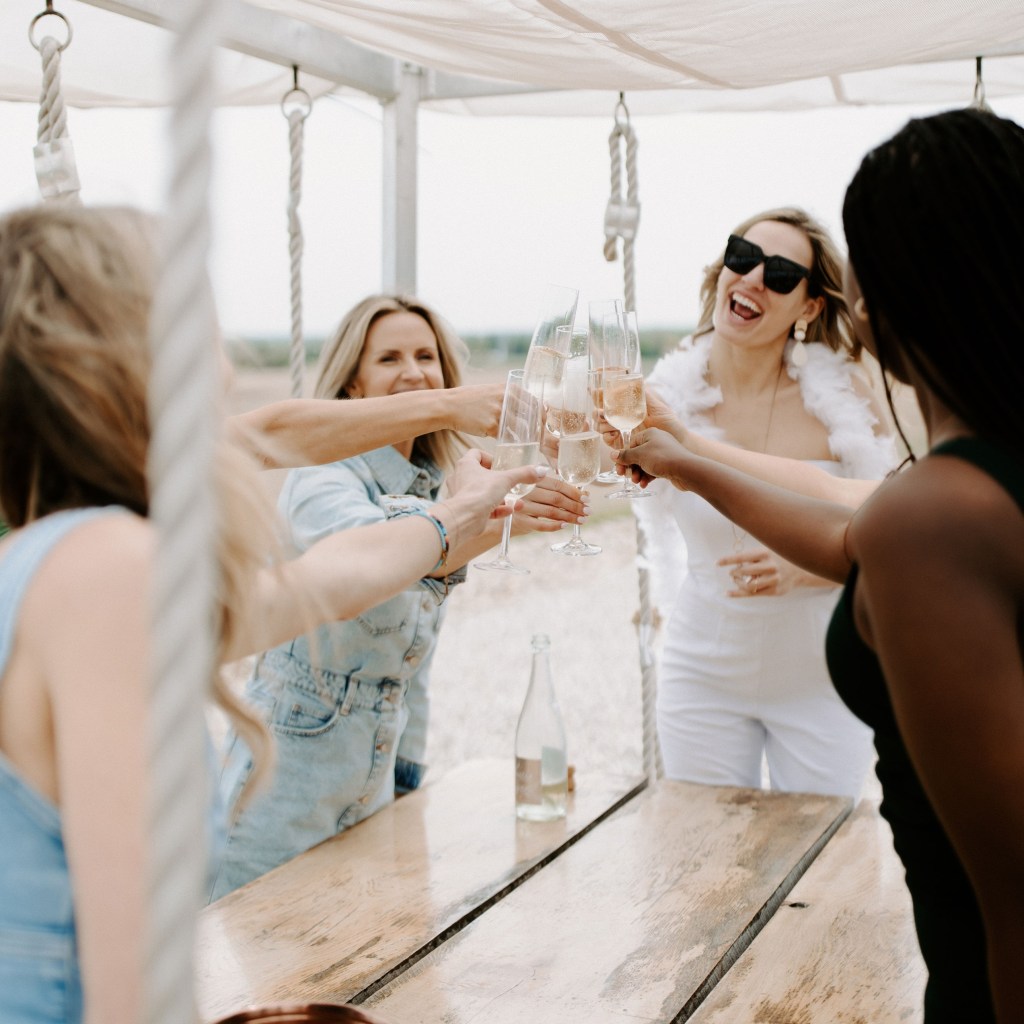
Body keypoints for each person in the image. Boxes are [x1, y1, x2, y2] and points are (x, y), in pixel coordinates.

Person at [0, 204, 546, 1024]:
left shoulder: (50, 556)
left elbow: (308, 583)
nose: (225, 370)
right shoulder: (106, 570)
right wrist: (454, 519)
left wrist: (458, 519)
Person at [615, 107, 1024, 1023]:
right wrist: (685, 462)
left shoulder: (937, 511)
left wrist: (690, 451)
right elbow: (849, 539)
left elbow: (1015, 887)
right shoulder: (969, 486)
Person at [210, 294, 587, 899]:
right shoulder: (322, 475)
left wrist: (408, 771)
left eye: (425, 355)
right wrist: (467, 516)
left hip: (379, 777)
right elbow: (361, 565)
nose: (413, 371)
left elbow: (411, 656)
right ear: (353, 385)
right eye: (389, 357)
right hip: (286, 784)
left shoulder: (435, 481)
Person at [628, 207, 897, 800]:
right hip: (702, 670)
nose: (752, 279)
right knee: (702, 863)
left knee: (826, 864)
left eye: (777, 273)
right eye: (742, 257)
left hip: (823, 678)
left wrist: (810, 568)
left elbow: (888, 521)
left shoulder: (847, 396)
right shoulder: (666, 398)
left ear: (809, 307)